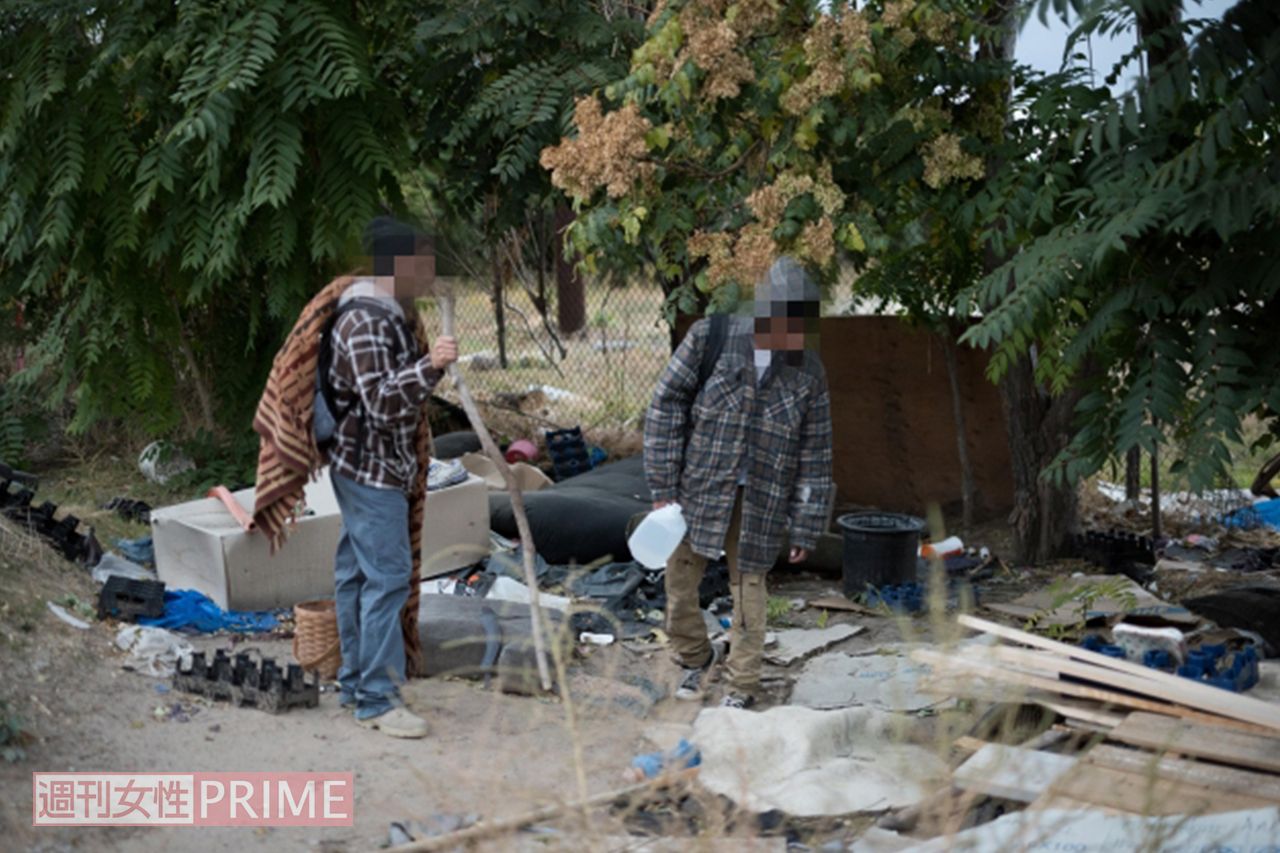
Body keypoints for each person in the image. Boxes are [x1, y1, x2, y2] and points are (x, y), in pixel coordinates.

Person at [643, 256, 834, 710]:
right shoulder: (711, 338)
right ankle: (695, 657)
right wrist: (663, 487)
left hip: (762, 499)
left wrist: (806, 525)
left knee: (748, 590)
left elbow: (816, 455)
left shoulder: (808, 373)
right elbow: (665, 407)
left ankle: (743, 684)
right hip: (699, 487)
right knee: (680, 583)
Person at [325, 217, 458, 738]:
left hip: (373, 464)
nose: (429, 274)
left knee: (358, 573)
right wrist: (430, 366)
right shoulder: (365, 322)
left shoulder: (389, 312)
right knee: (386, 578)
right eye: (423, 262)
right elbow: (380, 402)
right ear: (398, 264)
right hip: (369, 467)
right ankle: (377, 701)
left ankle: (356, 682)